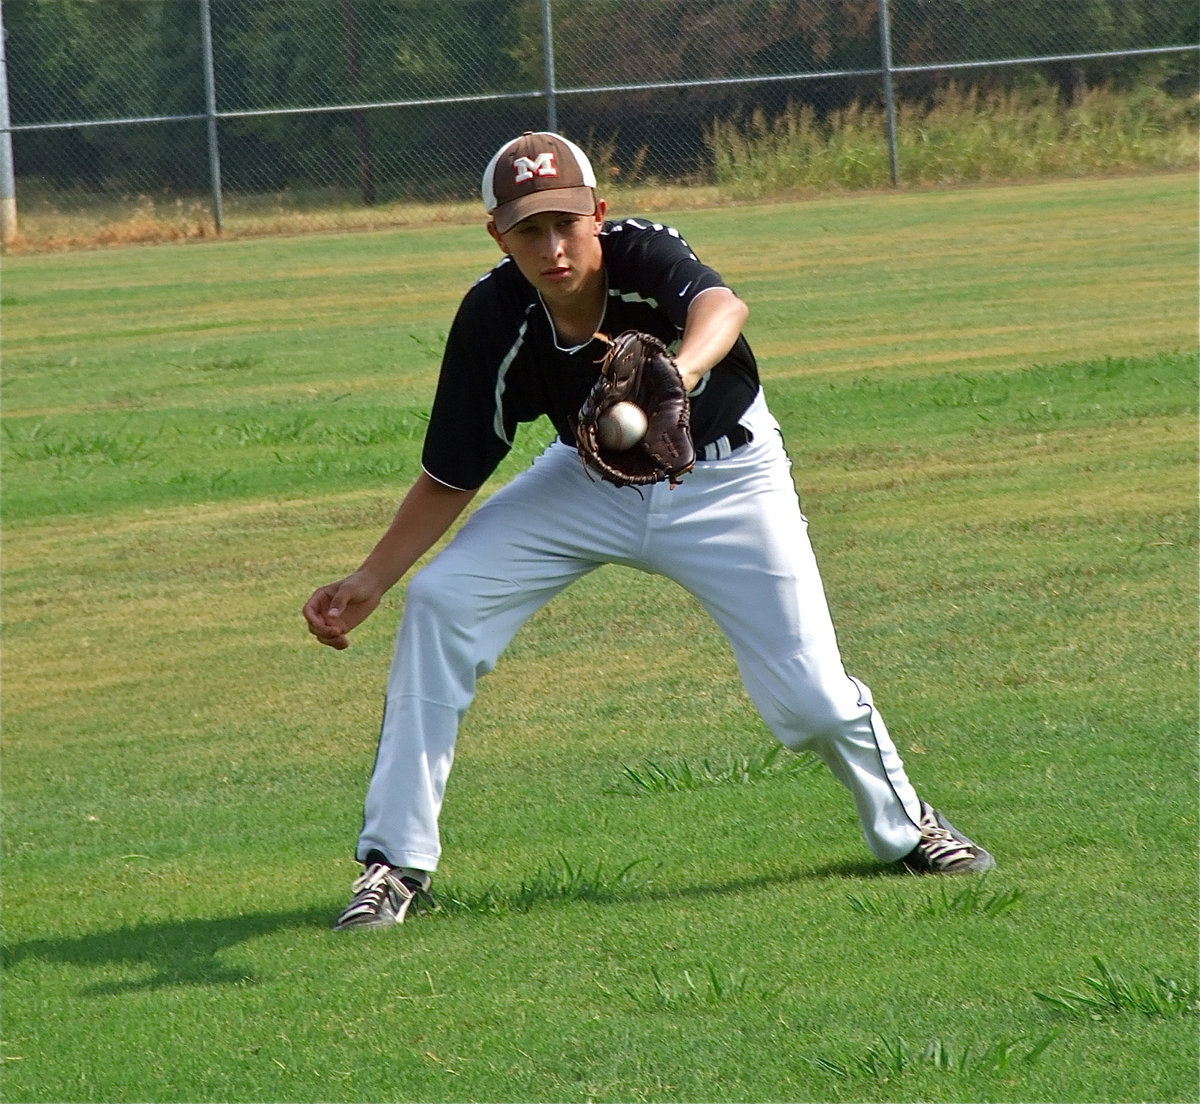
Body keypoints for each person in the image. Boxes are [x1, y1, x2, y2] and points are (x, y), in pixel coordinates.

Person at [303, 131, 995, 931]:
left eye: (567, 222)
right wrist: (369, 581)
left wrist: (684, 370)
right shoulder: (495, 316)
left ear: (598, 213)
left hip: (727, 482)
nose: (553, 246)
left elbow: (721, 306)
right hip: (587, 483)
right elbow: (453, 472)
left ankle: (910, 828)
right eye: (529, 229)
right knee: (442, 601)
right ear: (498, 234)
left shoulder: (643, 254)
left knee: (809, 699)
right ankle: (395, 864)